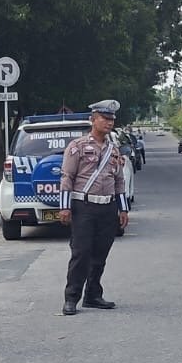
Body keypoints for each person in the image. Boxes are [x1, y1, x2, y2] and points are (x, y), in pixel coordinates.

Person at [58, 99, 130, 316]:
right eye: (105, 119)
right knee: (81, 253)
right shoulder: (78, 146)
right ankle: (71, 298)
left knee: (100, 254)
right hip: (84, 206)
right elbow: (67, 177)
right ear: (93, 120)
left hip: (107, 207)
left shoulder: (113, 149)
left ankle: (93, 295)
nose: (109, 123)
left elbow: (119, 181)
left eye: (112, 120)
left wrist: (123, 209)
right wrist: (65, 207)